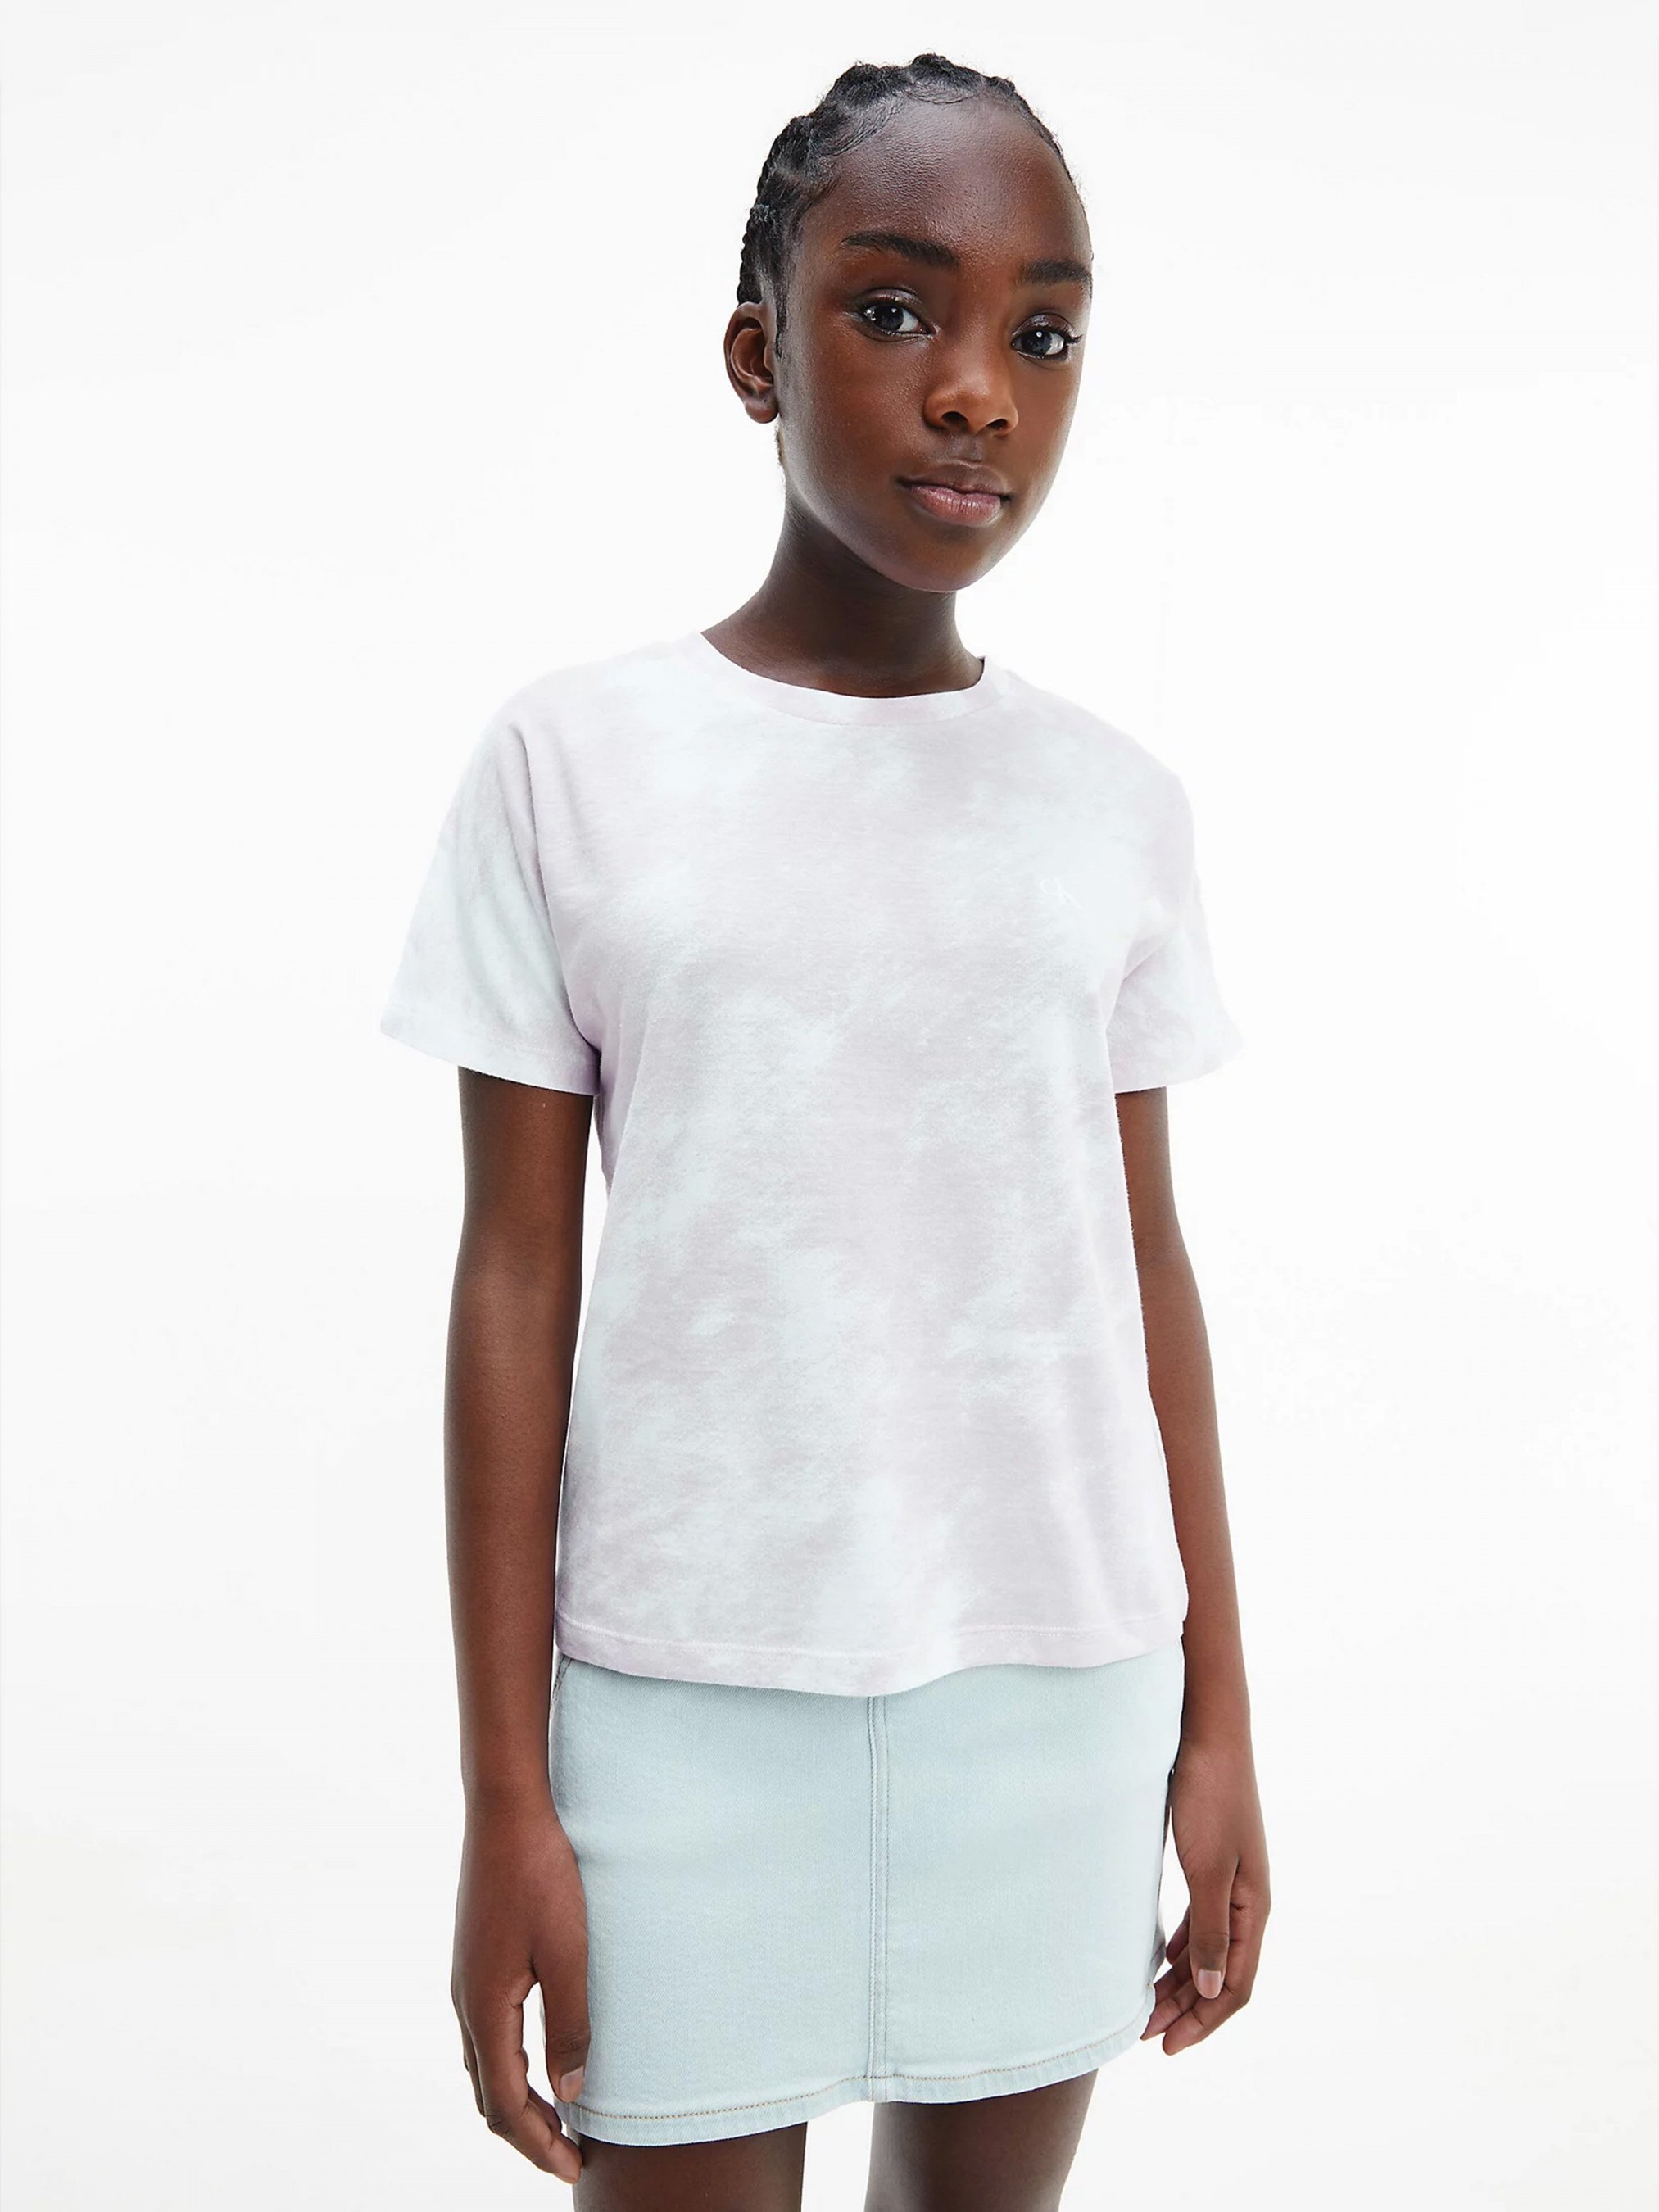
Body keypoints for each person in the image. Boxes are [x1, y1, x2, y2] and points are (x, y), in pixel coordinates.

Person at [379, 52, 1269, 2211]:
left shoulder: (1112, 806)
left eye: (1040, 335)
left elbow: (1141, 1267)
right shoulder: (574, 763)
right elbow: (515, 1278)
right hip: (684, 1705)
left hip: (1054, 1693)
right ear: (754, 353)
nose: (974, 390)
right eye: (894, 310)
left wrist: (1220, 1715)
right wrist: (507, 1795)